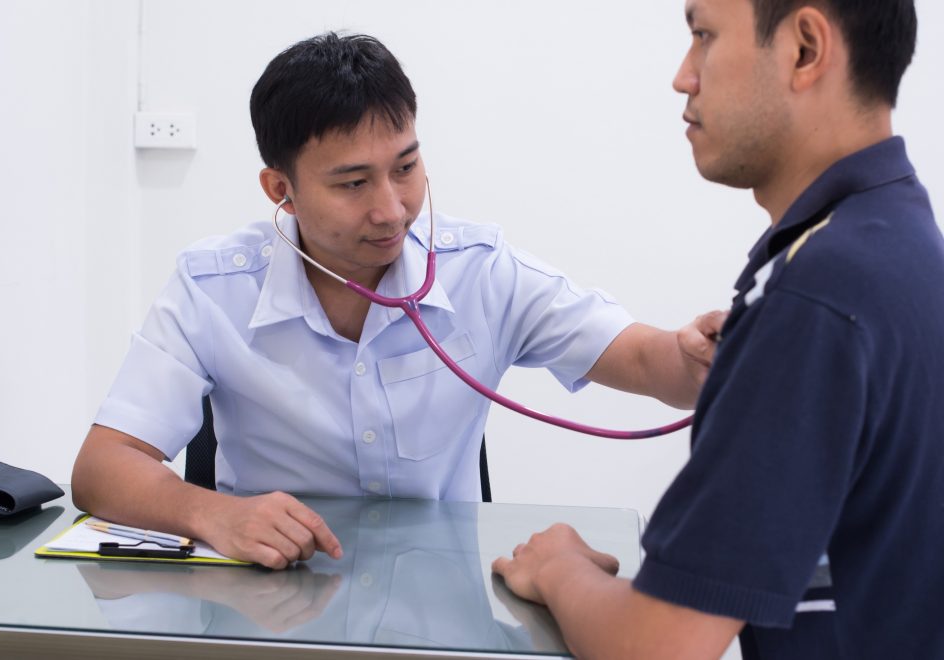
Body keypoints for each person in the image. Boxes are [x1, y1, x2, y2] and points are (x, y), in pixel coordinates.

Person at [73, 33, 722, 570]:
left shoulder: (481, 272)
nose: (390, 209)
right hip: (269, 615)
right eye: (353, 183)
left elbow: (648, 361)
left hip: (443, 619)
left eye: (406, 168)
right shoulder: (212, 289)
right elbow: (102, 468)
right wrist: (218, 514)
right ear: (281, 189)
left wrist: (697, 355)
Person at [492, 0, 944, 658]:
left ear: (805, 49)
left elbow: (656, 647)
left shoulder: (817, 297)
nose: (683, 75)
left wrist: (559, 566)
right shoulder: (901, 240)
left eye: (703, 37)